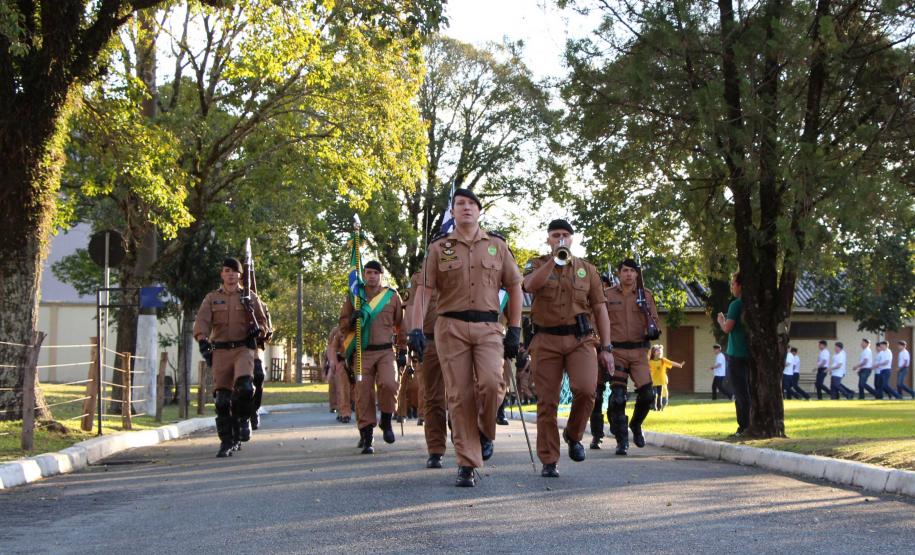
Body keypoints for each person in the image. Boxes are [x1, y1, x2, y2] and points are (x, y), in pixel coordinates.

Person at [408, 188, 523, 487]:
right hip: (451, 329)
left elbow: (514, 285)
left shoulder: (497, 245)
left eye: (471, 203)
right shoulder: (438, 248)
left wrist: (515, 328)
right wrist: (416, 328)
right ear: (453, 211)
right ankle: (467, 462)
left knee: (491, 384)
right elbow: (424, 291)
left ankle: (485, 431)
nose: (466, 208)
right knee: (459, 396)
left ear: (479, 210)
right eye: (460, 204)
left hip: (488, 328)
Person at [522, 219, 614, 477]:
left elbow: (600, 309)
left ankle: (573, 435)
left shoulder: (587, 270)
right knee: (547, 403)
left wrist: (607, 348)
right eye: (555, 235)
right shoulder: (537, 264)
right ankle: (549, 460)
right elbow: (529, 286)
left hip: (580, 339)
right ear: (548, 239)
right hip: (546, 339)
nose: (560, 239)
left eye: (565, 235)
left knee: (586, 390)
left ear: (572, 239)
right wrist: (554, 260)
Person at [193, 258, 270, 458]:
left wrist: (258, 330)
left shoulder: (249, 297)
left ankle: (244, 418)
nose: (230, 274)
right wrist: (202, 340)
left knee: (245, 387)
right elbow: (202, 321)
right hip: (220, 351)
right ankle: (226, 441)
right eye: (227, 270)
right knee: (222, 401)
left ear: (240, 275)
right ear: (222, 274)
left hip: (243, 349)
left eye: (234, 272)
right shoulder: (212, 298)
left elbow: (264, 323)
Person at [339, 260, 407, 454]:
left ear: (381, 275)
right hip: (363, 350)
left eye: (375, 273)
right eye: (368, 272)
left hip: (386, 350)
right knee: (363, 394)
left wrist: (403, 350)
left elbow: (401, 325)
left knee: (390, 384)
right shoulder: (355, 297)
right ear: (364, 275)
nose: (371, 276)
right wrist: (352, 320)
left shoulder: (392, 297)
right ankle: (367, 435)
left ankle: (386, 420)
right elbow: (343, 324)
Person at [603, 258, 659, 456]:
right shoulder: (607, 295)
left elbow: (655, 323)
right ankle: (621, 440)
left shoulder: (646, 296)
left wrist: (652, 328)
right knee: (618, 398)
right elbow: (599, 321)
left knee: (648, 394)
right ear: (619, 273)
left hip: (638, 352)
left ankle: (636, 425)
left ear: (637, 274)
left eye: (632, 271)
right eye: (625, 270)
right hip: (616, 351)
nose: (628, 274)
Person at [717, 271, 749, 437]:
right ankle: (747, 424)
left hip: (736, 353)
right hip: (749, 354)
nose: (731, 287)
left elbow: (727, 328)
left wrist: (721, 320)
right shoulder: (751, 304)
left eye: (733, 284)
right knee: (748, 390)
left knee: (739, 391)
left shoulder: (736, 304)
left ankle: (743, 426)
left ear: (740, 286)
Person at [326, 326, 352, 424]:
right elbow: (331, 346)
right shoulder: (337, 330)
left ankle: (363, 413)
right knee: (342, 388)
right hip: (342, 361)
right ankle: (344, 412)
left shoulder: (362, 326)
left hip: (357, 361)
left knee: (360, 388)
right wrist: (332, 361)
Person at [648, 344, 683, 411]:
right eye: (657, 351)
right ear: (653, 353)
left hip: (661, 381)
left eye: (660, 351)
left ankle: (660, 407)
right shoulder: (650, 362)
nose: (660, 352)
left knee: (660, 394)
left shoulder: (663, 360)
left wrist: (679, 365)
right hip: (653, 381)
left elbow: (671, 362)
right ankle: (654, 407)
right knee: (654, 395)